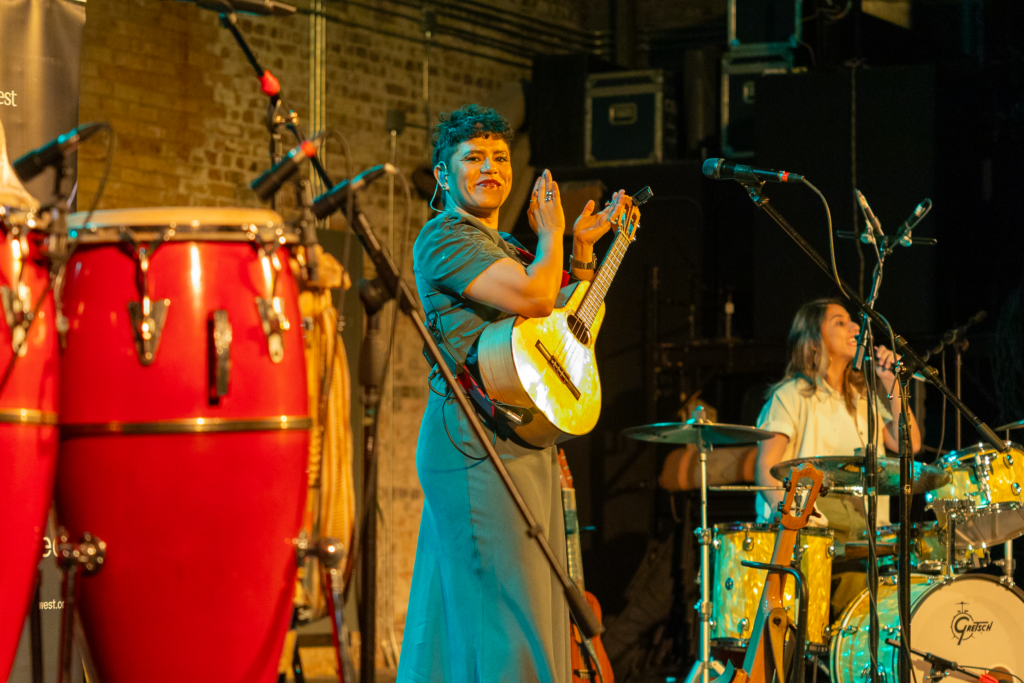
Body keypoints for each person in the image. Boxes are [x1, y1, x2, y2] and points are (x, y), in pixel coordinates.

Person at [398, 104, 625, 682]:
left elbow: (564, 331)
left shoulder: (503, 245)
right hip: (474, 441)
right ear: (444, 174)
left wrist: (579, 252)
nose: (491, 168)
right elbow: (535, 299)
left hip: (517, 436)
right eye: (473, 157)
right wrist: (551, 234)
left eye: (500, 157)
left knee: (513, 606)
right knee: (505, 615)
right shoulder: (443, 237)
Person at [753, 298, 922, 616]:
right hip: (812, 526)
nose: (855, 327)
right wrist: (790, 518)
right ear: (814, 341)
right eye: (840, 322)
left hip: (862, 530)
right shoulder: (790, 395)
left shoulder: (863, 400)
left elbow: (909, 444)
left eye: (852, 321)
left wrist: (892, 383)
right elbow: (765, 469)